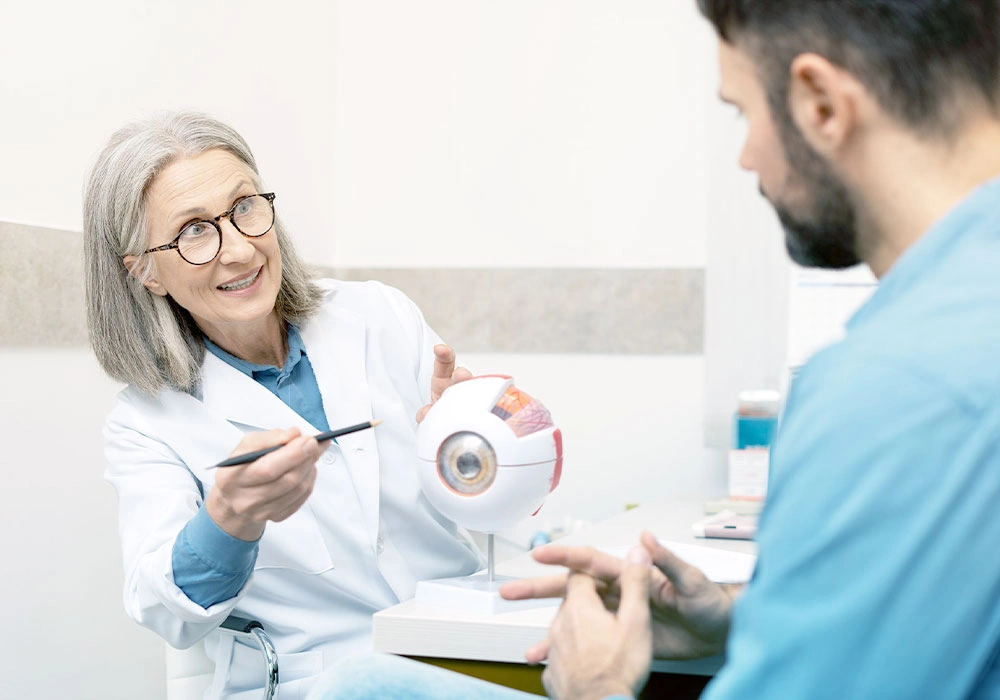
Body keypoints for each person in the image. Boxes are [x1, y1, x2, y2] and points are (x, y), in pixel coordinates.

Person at [309, 1, 1000, 698]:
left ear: (821, 104)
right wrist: (736, 620)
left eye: (743, 112)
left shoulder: (896, 390)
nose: (746, 154)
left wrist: (598, 687)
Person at [84, 111, 483, 700]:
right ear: (145, 271)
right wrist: (229, 523)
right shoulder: (146, 426)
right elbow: (164, 609)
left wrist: (477, 445)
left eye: (245, 206)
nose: (241, 250)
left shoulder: (378, 316)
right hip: (319, 682)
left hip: (464, 648)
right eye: (194, 230)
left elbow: (490, 510)